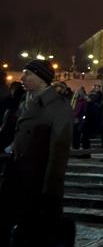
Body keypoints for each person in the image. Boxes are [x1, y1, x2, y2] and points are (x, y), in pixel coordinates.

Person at [0, 60, 73, 246]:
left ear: (42, 79)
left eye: (28, 74)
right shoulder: (24, 101)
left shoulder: (58, 107)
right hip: (15, 176)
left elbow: (58, 153)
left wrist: (50, 192)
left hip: (37, 182)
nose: (22, 78)